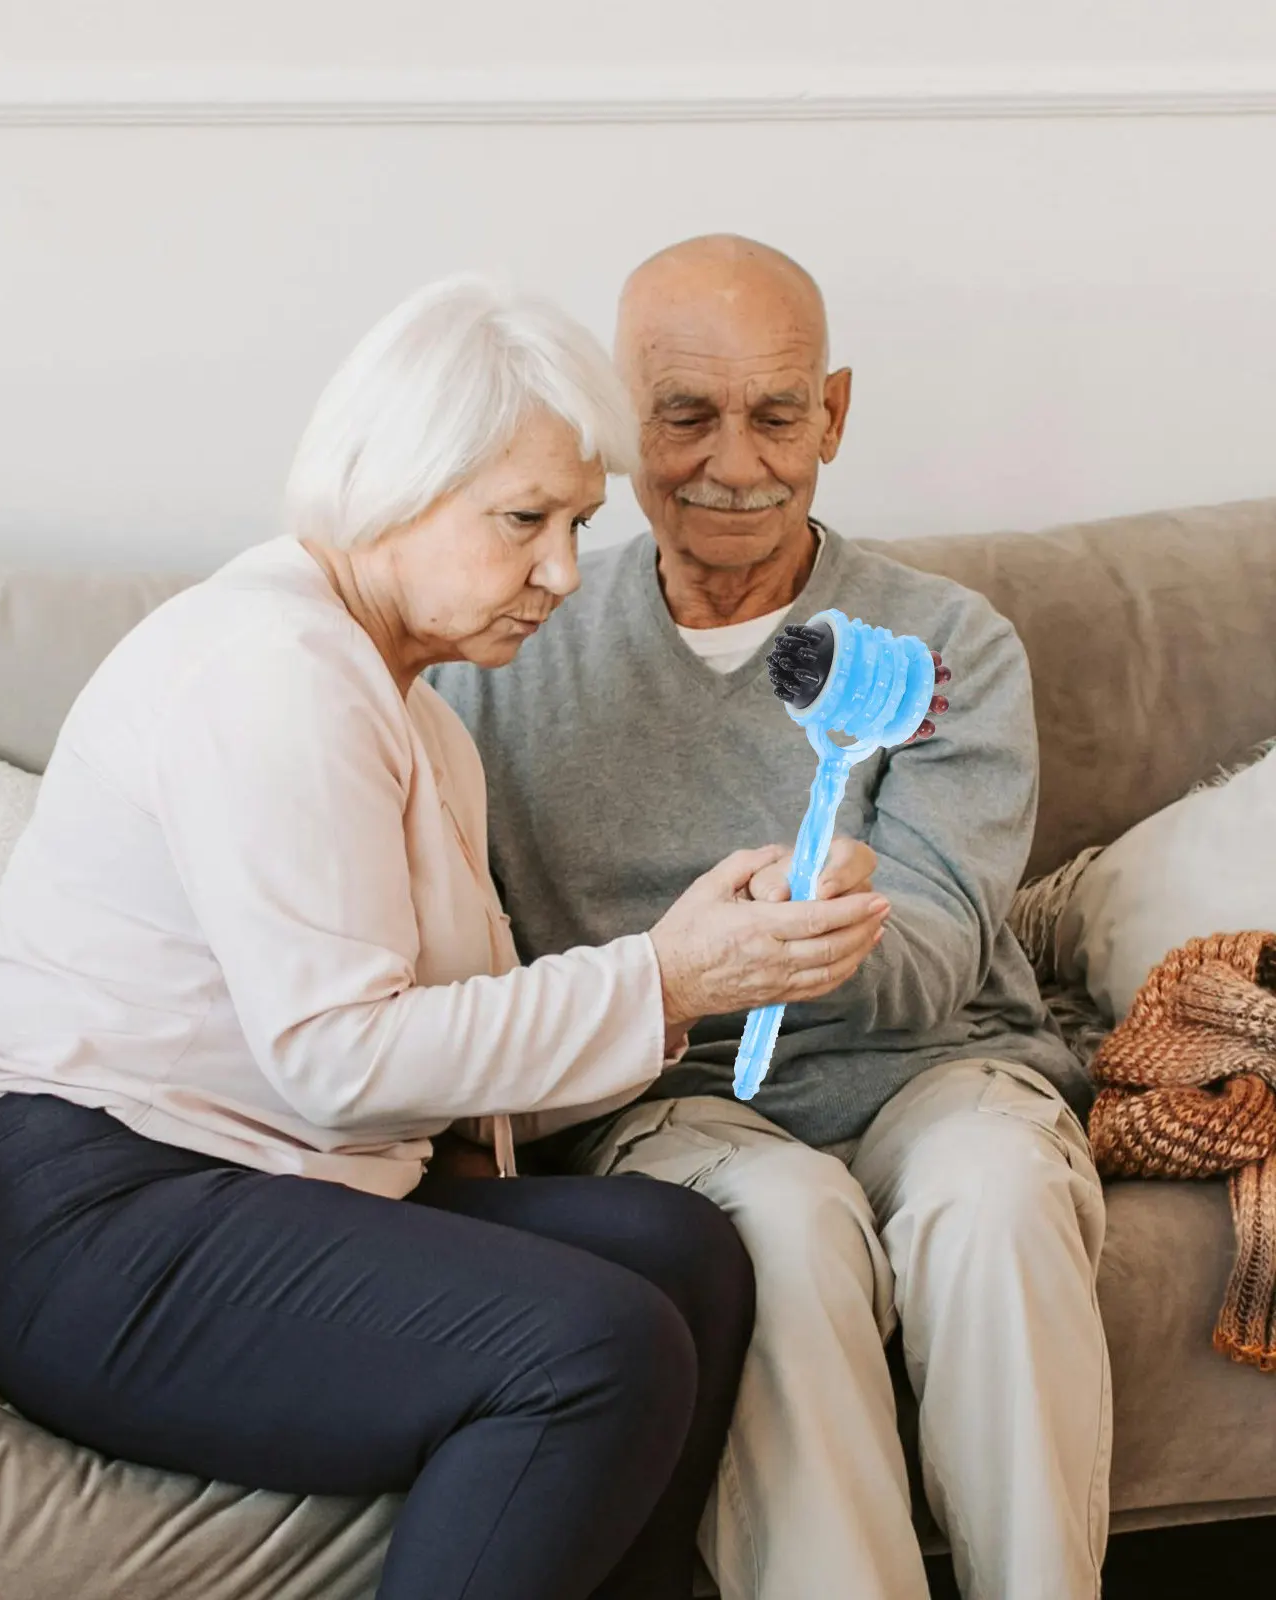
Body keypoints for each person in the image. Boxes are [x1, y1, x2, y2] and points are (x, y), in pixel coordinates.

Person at [0, 275, 893, 1600]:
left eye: (577, 525)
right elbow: (338, 1059)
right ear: (390, 484)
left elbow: (453, 1070)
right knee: (593, 1347)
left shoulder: (417, 713)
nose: (562, 571)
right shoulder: (276, 671)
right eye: (523, 520)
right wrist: (659, 976)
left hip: (260, 1173)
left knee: (685, 1253)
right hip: (97, 1213)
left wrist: (691, 971)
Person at [431, 237, 1109, 1600]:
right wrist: (692, 974)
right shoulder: (503, 655)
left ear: (834, 415)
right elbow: (485, 973)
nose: (734, 462)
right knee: (781, 1231)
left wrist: (825, 931)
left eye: (778, 415)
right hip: (674, 1094)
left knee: (999, 1197)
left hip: (932, 1069)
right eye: (684, 415)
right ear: (619, 421)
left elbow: (936, 954)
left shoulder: (947, 645)